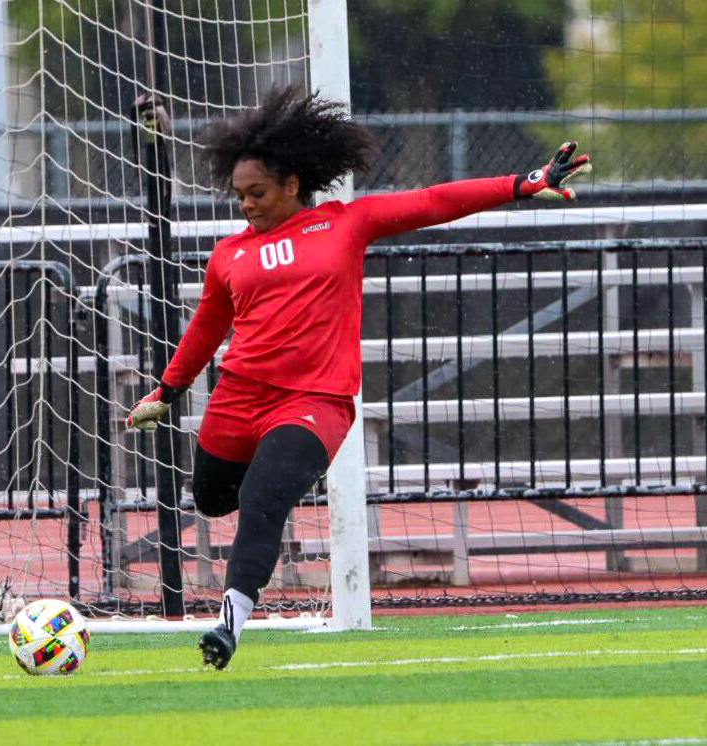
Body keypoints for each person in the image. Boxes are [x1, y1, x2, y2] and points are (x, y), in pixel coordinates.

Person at [126, 85, 591, 669]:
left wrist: (521, 184)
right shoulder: (229, 256)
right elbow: (204, 329)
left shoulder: (343, 224)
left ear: (293, 184)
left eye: (258, 192)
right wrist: (167, 391)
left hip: (314, 402)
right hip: (237, 397)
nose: (246, 204)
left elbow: (433, 201)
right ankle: (254, 491)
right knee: (213, 498)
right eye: (239, 194)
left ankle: (229, 625)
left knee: (262, 498)